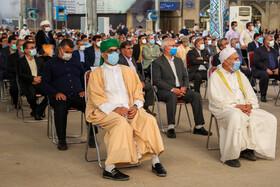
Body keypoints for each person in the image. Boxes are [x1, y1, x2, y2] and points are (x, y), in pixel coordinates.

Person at [86, 38, 166, 181]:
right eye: (110, 51)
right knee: (121, 124)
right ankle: (109, 168)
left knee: (149, 120)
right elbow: (95, 97)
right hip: (107, 111)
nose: (114, 54)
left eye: (115, 51)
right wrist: (115, 109)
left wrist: (135, 107)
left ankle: (155, 162)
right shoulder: (96, 74)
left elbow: (138, 92)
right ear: (103, 54)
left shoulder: (128, 71)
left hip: (130, 108)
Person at [208, 47, 277, 168]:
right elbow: (216, 99)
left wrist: (250, 105)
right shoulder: (216, 76)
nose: (238, 61)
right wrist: (237, 106)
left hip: (245, 107)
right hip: (225, 108)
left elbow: (250, 92)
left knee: (270, 118)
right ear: (226, 62)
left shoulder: (239, 74)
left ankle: (248, 148)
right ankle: (230, 156)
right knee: (236, 118)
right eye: (235, 59)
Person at [41, 39, 95, 150]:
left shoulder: (76, 62)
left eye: (70, 52)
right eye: (66, 52)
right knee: (60, 109)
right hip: (59, 96)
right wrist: (55, 93)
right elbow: (44, 83)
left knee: (90, 106)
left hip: (77, 95)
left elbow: (83, 78)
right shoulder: (50, 64)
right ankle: (62, 139)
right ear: (59, 49)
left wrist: (84, 90)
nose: (69, 54)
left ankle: (92, 136)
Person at [152, 38, 211, 138]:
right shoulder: (157, 63)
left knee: (196, 95)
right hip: (165, 91)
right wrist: (173, 89)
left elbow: (185, 76)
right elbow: (157, 81)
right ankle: (171, 127)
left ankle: (198, 126)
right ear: (165, 48)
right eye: (173, 46)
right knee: (172, 96)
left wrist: (184, 87)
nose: (176, 48)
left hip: (181, 88)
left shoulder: (179, 61)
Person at [118, 41, 155, 115]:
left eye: (131, 48)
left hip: (137, 82)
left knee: (150, 86)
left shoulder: (132, 59)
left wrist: (141, 81)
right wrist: (137, 83)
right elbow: (123, 76)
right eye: (128, 49)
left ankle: (144, 107)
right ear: (122, 50)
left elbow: (137, 72)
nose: (131, 50)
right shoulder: (120, 60)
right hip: (128, 83)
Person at [17, 41, 48, 120]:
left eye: (34, 47)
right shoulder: (20, 61)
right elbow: (20, 74)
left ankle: (37, 111)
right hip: (28, 83)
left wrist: (40, 78)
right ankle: (37, 111)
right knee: (31, 95)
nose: (34, 49)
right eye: (32, 48)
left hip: (40, 82)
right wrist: (33, 79)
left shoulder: (40, 60)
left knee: (50, 93)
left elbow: (45, 71)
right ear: (26, 50)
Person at [252, 34, 280, 102]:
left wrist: (278, 69)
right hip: (260, 70)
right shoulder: (258, 50)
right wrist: (266, 69)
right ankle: (263, 95)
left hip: (273, 70)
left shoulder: (274, 51)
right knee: (265, 74)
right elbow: (257, 62)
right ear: (265, 41)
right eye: (270, 40)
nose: (272, 41)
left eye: (272, 40)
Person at [7, 39, 25, 108]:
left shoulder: (31, 56)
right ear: (17, 47)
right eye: (22, 45)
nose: (24, 47)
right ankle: (16, 101)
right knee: (14, 88)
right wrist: (20, 71)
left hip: (29, 77)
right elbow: (10, 69)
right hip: (17, 76)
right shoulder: (12, 57)